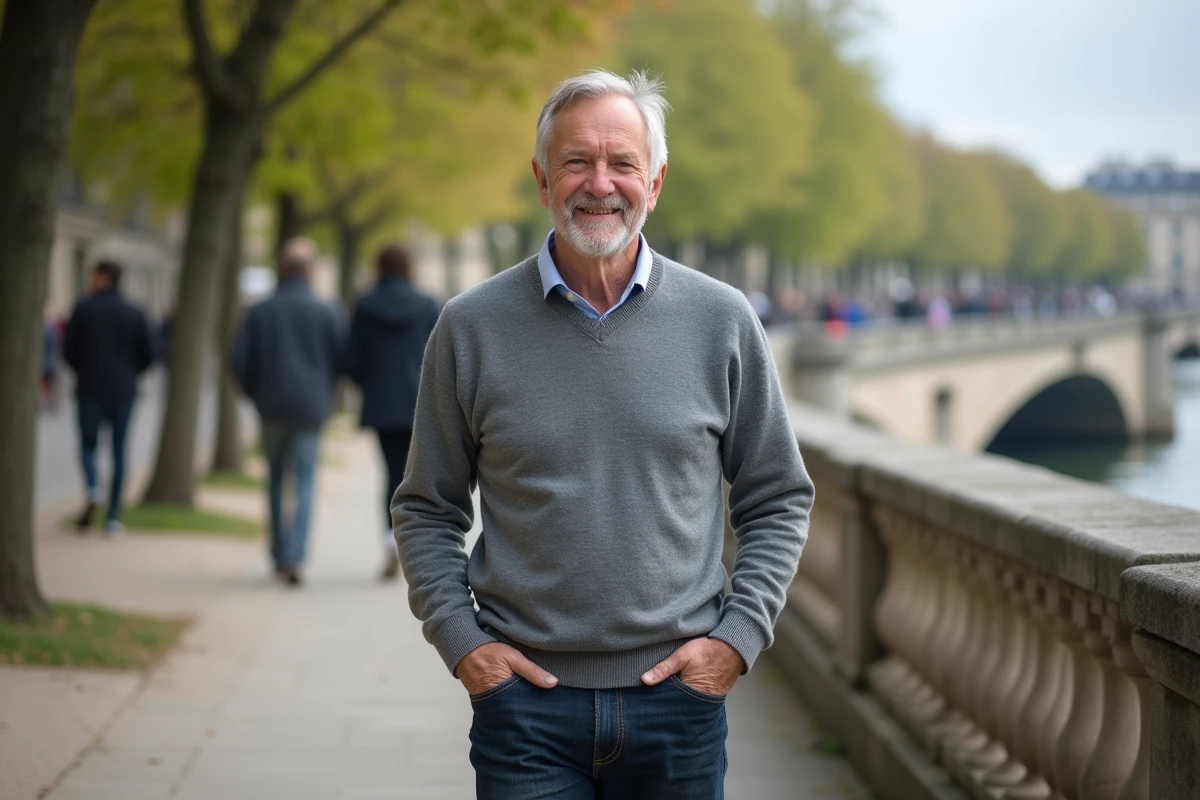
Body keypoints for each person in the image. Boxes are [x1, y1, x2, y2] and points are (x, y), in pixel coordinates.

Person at [393, 70, 814, 799]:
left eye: (622, 162)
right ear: (541, 179)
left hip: (681, 708)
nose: (600, 182)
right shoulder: (471, 327)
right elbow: (426, 507)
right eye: (576, 161)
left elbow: (778, 496)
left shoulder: (721, 320)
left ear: (655, 180)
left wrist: (736, 642)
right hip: (523, 710)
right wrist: (466, 647)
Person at [231, 238, 344, 586]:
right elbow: (342, 359)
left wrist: (256, 394)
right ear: (310, 270)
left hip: (271, 407)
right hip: (310, 408)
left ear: (282, 268)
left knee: (277, 479)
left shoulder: (260, 310)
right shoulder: (328, 310)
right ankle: (295, 555)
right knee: (306, 480)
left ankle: (279, 553)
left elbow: (238, 360)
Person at [344, 244, 439, 581]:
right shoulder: (427, 305)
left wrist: (368, 383)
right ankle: (417, 552)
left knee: (390, 476)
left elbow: (353, 360)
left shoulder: (366, 307)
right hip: (420, 403)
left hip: (382, 403)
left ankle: (390, 541)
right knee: (417, 478)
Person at [62, 260, 156, 535]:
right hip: (123, 391)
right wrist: (129, 373)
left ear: (103, 277)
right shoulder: (134, 312)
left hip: (90, 388)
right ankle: (113, 516)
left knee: (88, 445)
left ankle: (93, 487)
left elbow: (69, 351)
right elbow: (149, 354)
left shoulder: (83, 308)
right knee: (119, 450)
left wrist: (85, 369)